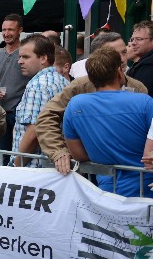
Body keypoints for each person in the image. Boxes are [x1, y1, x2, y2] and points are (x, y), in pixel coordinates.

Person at [36, 40, 146, 175]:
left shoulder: (138, 89)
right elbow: (47, 116)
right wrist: (58, 150)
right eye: (114, 54)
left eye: (124, 52)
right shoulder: (80, 87)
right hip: (88, 168)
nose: (122, 59)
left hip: (133, 170)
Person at [63, 46, 153, 198]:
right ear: (119, 72)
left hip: (106, 192)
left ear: (90, 78)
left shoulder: (75, 105)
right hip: (145, 190)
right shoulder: (144, 102)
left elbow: (79, 155)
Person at [10, 35, 67, 165]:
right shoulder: (62, 81)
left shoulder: (37, 86)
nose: (19, 61)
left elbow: (34, 132)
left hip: (34, 168)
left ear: (43, 58)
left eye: (26, 57)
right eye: (20, 57)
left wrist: (17, 164)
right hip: (54, 166)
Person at [0, 13, 28, 150]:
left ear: (20, 30)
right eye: (4, 30)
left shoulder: (26, 55)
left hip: (20, 114)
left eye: (10, 30)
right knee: (0, 156)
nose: (6, 33)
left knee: (20, 155)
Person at [126, 21, 153, 91]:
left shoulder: (148, 66)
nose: (133, 43)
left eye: (139, 39)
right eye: (132, 39)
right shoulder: (142, 63)